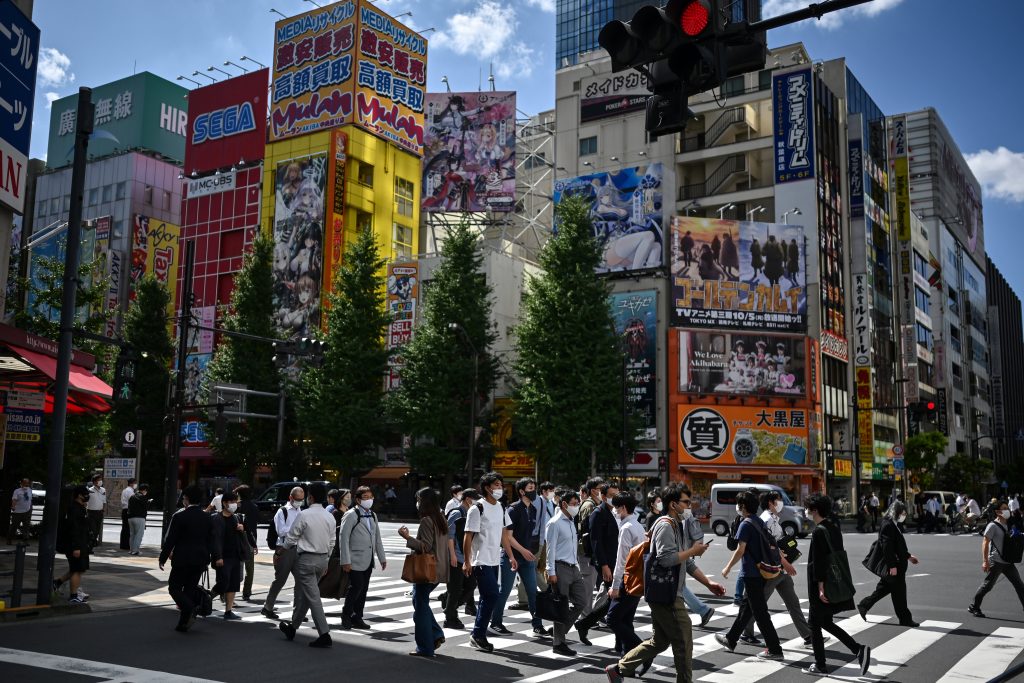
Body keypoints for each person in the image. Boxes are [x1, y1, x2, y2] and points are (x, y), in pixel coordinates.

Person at [606, 483, 720, 683]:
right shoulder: (666, 525)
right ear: (674, 504)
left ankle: (618, 669)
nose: (689, 506)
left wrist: (708, 583)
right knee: (683, 641)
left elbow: (687, 561)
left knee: (659, 641)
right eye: (685, 502)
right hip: (666, 594)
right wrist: (693, 551)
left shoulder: (677, 525)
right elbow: (666, 559)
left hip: (666, 592)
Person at [801, 493, 870, 676]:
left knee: (814, 624)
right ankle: (857, 649)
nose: (806, 511)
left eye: (808, 508)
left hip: (822, 584)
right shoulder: (833, 527)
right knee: (825, 621)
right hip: (836, 580)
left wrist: (820, 586)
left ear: (815, 510)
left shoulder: (818, 532)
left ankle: (820, 664)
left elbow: (819, 561)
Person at [736, 490, 815, 646]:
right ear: (771, 503)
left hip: (780, 569)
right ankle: (746, 633)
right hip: (772, 569)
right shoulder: (766, 520)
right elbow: (769, 546)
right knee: (757, 604)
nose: (781, 503)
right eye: (778, 500)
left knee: (793, 602)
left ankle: (808, 635)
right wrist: (785, 563)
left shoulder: (773, 519)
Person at [717, 490, 785, 660]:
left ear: (743, 506)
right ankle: (731, 639)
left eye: (739, 504)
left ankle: (775, 649)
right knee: (747, 608)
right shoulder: (758, 521)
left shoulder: (745, 524)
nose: (737, 507)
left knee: (760, 612)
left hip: (752, 573)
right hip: (762, 571)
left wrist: (727, 567)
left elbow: (740, 550)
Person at [463, 472, 516, 653]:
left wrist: (510, 556)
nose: (500, 488)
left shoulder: (500, 507)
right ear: (487, 488)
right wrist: (467, 561)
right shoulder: (477, 508)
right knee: (492, 595)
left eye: (501, 485)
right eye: (496, 485)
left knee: (489, 597)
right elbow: (468, 535)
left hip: (494, 560)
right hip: (480, 560)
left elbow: (503, 535)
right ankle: (478, 634)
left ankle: (477, 634)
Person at [278, 482, 335, 648]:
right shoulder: (329, 516)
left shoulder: (304, 515)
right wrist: (326, 561)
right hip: (323, 559)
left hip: (306, 560)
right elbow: (332, 541)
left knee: (313, 597)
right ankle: (292, 627)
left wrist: (281, 551)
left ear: (310, 497)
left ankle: (324, 634)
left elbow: (291, 537)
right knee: (307, 595)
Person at [491, 477, 548, 637]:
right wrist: (520, 552)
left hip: (526, 557)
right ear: (522, 491)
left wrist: (530, 551)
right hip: (511, 556)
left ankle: (537, 625)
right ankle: (495, 623)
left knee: (532, 591)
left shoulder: (533, 509)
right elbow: (507, 537)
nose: (534, 491)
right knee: (505, 591)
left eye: (534, 487)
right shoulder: (513, 509)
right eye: (530, 488)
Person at [399, 487, 451, 658]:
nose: (417, 503)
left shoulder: (427, 521)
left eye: (419, 499)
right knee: (419, 601)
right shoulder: (440, 518)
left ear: (424, 501)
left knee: (420, 607)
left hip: (427, 569)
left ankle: (425, 647)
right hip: (439, 568)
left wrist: (407, 538)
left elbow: (425, 547)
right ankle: (435, 634)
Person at [159, 485, 218, 632]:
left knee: (174, 587)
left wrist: (163, 558)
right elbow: (213, 540)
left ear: (186, 499)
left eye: (184, 498)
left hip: (182, 558)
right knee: (189, 590)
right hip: (201, 559)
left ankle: (190, 609)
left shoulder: (180, 516)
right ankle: (183, 623)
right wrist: (215, 557)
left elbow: (170, 540)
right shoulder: (207, 517)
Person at [857, 501, 920, 626]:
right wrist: (892, 566)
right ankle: (905, 619)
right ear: (896, 512)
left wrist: (908, 556)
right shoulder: (888, 525)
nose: (905, 515)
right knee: (899, 593)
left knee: (884, 588)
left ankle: (864, 605)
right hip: (895, 566)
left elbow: (897, 546)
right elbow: (887, 547)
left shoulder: (893, 524)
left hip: (897, 563)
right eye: (903, 512)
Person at [545, 486, 590, 656]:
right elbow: (550, 549)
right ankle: (559, 643)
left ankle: (559, 631)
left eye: (578, 503)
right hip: (560, 567)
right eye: (574, 503)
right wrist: (551, 571)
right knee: (561, 606)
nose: (577, 506)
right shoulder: (555, 523)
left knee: (581, 601)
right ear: (564, 504)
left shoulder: (571, 521)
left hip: (573, 567)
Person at [576, 481, 621, 642]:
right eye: (611, 496)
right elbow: (596, 542)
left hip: (616, 562)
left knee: (611, 599)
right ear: (602, 496)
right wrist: (604, 565)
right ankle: (620, 639)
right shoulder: (598, 513)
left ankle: (584, 624)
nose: (614, 499)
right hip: (606, 563)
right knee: (615, 599)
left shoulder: (616, 512)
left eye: (616, 495)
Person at [605, 493, 648, 658]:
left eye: (616, 508)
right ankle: (629, 659)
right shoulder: (637, 525)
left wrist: (616, 586)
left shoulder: (626, 528)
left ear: (623, 508)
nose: (615, 511)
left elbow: (621, 560)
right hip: (638, 579)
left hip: (627, 580)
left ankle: (643, 651)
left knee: (613, 619)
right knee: (626, 621)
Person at [338, 485, 386, 630]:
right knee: (356, 587)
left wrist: (382, 557)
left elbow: (377, 537)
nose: (369, 500)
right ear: (358, 500)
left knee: (363, 589)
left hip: (368, 559)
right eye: (365, 498)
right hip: (354, 559)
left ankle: (357, 617)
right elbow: (343, 538)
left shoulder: (372, 515)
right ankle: (346, 614)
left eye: (370, 497)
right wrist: (345, 560)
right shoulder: (351, 514)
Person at [968, 500, 1024, 617]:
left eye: (1007, 508)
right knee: (988, 586)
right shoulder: (992, 525)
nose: (1007, 510)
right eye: (1004, 508)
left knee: (1019, 585)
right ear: (998, 512)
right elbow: (985, 542)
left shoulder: (1009, 523)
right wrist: (985, 561)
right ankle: (974, 606)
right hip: (996, 561)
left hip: (1008, 561)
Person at [262, 486, 304, 620]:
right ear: (291, 498)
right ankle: (267, 607)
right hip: (284, 548)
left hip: (299, 548)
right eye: (297, 499)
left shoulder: (300, 510)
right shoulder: (283, 511)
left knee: (301, 581)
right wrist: (297, 530)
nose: (299, 502)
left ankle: (297, 612)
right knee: (280, 580)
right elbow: (281, 531)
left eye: (302, 499)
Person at [444, 488, 480, 628]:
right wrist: (452, 555)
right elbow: (449, 536)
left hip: (466, 557)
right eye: (475, 498)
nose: (477, 502)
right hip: (456, 556)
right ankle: (450, 618)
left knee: (471, 584)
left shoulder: (471, 513)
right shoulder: (456, 513)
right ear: (467, 499)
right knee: (455, 588)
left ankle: (449, 606)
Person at [210, 491, 247, 620]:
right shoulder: (216, 518)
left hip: (236, 556)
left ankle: (228, 611)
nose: (234, 504)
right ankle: (208, 597)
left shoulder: (236, 517)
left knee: (234, 584)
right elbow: (216, 539)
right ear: (224, 503)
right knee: (223, 582)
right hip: (223, 557)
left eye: (235, 502)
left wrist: (242, 530)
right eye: (231, 502)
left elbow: (242, 537)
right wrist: (218, 556)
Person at [55, 485, 93, 604]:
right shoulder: (75, 509)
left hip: (80, 543)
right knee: (77, 569)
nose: (87, 496)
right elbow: (74, 529)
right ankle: (73, 596)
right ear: (79, 495)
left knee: (77, 569)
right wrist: (76, 547)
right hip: (76, 545)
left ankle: (57, 583)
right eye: (85, 494)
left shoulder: (79, 507)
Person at [576, 477, 605, 619]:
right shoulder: (589, 505)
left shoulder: (596, 504)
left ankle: (592, 614)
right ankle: (585, 616)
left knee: (597, 584)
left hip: (593, 551)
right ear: (593, 490)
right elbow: (588, 532)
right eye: (601, 488)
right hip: (588, 552)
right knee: (588, 585)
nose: (603, 490)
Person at [234, 485, 259, 602]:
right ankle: (247, 592)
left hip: (237, 539)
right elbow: (253, 526)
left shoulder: (237, 507)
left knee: (235, 567)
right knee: (250, 569)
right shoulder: (254, 507)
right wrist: (254, 543)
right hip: (250, 539)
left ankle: (229, 591)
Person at [127, 483, 149, 555]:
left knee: (132, 534)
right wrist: (148, 502)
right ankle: (136, 550)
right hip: (139, 518)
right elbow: (145, 507)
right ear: (144, 490)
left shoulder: (132, 496)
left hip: (130, 518)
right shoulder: (142, 497)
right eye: (146, 491)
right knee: (138, 534)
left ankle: (131, 550)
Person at [8, 478, 33, 544]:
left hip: (27, 511)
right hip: (17, 512)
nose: (26, 484)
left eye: (27, 483)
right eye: (25, 483)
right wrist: (13, 506)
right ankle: (9, 539)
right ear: (21, 484)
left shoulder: (30, 490)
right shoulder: (17, 491)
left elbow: (30, 500)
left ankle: (26, 540)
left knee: (26, 526)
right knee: (14, 526)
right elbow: (14, 499)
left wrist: (30, 508)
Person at [86, 474, 106, 547]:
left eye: (101, 480)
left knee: (97, 530)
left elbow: (104, 501)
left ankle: (93, 542)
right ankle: (91, 543)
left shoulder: (103, 490)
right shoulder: (90, 490)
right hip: (91, 512)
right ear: (94, 482)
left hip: (99, 512)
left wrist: (103, 509)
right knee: (92, 529)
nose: (100, 481)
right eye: (99, 480)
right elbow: (86, 501)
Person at [120, 478, 136, 550]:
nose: (135, 485)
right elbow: (132, 502)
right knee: (128, 528)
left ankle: (123, 544)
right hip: (128, 510)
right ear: (131, 483)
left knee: (124, 528)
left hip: (124, 510)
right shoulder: (130, 491)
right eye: (135, 483)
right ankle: (126, 545)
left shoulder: (124, 490)